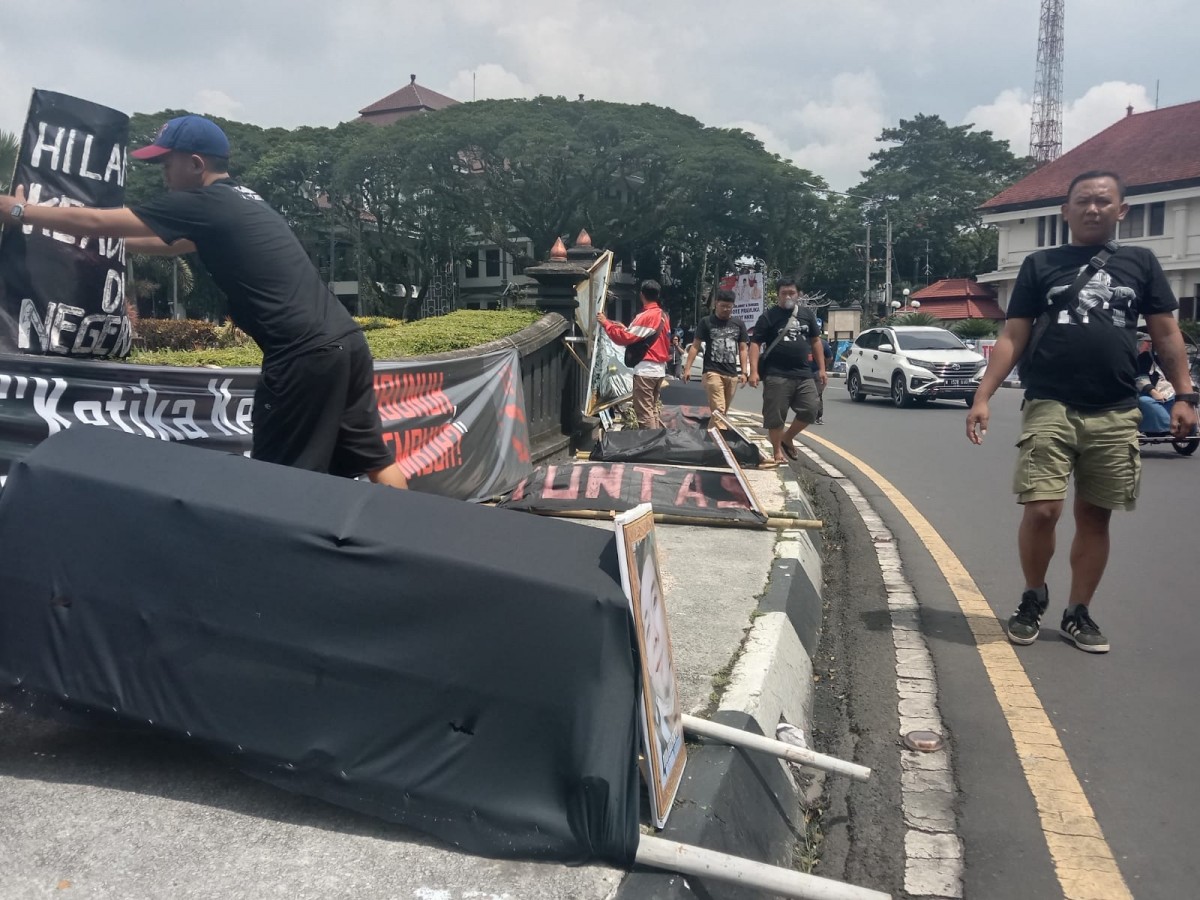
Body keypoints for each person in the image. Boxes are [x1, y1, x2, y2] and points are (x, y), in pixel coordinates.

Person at [0, 115, 409, 488]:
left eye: (167, 164)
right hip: (347, 343)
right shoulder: (242, 199)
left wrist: (20, 211)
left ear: (195, 164)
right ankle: (407, 538)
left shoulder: (202, 203)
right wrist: (94, 243)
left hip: (303, 356)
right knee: (374, 459)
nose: (163, 174)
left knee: (281, 486)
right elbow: (171, 245)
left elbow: (96, 220)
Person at [966, 170, 1198, 653]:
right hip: (1049, 401)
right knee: (1042, 509)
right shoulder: (1040, 264)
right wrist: (983, 396)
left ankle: (1078, 612)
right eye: (1083, 201)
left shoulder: (1142, 262)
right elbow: (1013, 334)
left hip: (1116, 408)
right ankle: (1033, 596)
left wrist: (1184, 394)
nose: (1093, 209)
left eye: (1103, 201)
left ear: (1121, 210)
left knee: (1095, 515)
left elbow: (1165, 332)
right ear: (1065, 211)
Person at [748, 277, 826, 464]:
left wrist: (822, 368)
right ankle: (777, 452)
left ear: (798, 294)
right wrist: (753, 371)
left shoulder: (807, 315)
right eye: (784, 293)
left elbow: (816, 341)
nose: (788, 296)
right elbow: (755, 344)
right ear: (778, 295)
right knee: (775, 416)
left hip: (804, 373)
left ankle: (787, 437)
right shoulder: (768, 317)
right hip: (776, 374)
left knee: (811, 409)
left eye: (792, 292)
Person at [598, 280, 671, 429]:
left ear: (642, 295)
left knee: (644, 413)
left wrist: (606, 323)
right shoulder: (663, 316)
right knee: (652, 410)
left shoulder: (646, 315)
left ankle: (650, 441)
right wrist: (625, 328)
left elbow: (624, 338)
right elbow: (644, 335)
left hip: (646, 370)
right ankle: (657, 439)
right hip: (659, 369)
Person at [682, 288, 749, 420]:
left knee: (721, 413)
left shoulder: (739, 324)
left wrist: (744, 372)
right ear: (716, 304)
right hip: (712, 371)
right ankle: (720, 433)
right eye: (722, 306)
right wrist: (687, 368)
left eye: (729, 307)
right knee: (719, 410)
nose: (725, 309)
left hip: (732, 374)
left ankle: (713, 432)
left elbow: (743, 349)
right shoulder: (706, 322)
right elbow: (695, 346)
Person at [1134, 333, 1175, 433]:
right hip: (1150, 393)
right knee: (1145, 401)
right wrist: (1154, 392)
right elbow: (1141, 378)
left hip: (1172, 392)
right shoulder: (1144, 357)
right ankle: (1168, 426)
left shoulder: (1173, 359)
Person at [811, 333, 834, 424]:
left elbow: (830, 357)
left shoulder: (804, 341)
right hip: (815, 372)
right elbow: (830, 358)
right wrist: (823, 367)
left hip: (812, 372)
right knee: (817, 395)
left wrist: (823, 368)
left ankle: (815, 416)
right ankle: (816, 417)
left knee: (814, 395)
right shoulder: (823, 342)